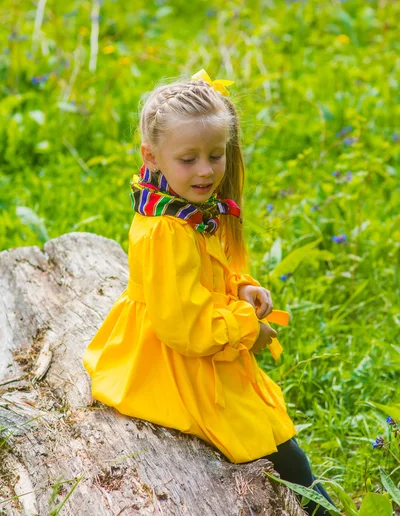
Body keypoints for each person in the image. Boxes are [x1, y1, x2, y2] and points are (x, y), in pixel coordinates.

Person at [82, 69, 337, 515]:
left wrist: (242, 285)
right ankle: (320, 507)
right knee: (271, 442)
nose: (205, 170)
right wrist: (246, 330)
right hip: (176, 358)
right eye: (189, 159)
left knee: (274, 432)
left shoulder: (187, 208)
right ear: (152, 155)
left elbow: (207, 270)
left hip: (198, 339)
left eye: (216, 155)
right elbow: (183, 325)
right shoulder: (166, 229)